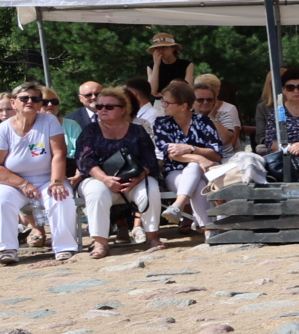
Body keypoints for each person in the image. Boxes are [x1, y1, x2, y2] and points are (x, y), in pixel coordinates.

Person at [73, 86, 160, 253]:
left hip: (133, 179)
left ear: (123, 110)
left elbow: (149, 160)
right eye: (99, 106)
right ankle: (100, 242)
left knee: (151, 189)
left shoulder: (137, 130)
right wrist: (105, 179)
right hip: (98, 179)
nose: (103, 110)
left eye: (109, 106)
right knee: (96, 193)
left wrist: (138, 178)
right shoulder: (90, 130)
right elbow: (85, 160)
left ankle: (152, 237)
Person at [0, 82, 77, 264]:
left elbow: (59, 153)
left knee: (61, 196)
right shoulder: (3, 129)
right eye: (24, 98)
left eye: (35, 99)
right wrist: (23, 184)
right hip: (15, 182)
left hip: (47, 178)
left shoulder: (49, 121)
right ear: (14, 103)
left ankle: (64, 246)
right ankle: (7, 248)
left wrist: (57, 181)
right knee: (2, 199)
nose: (30, 101)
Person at [151, 80, 224, 230]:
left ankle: (178, 205)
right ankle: (209, 230)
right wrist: (198, 157)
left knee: (195, 168)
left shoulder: (203, 122)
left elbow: (216, 155)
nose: (163, 105)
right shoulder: (161, 123)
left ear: (183, 106)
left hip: (206, 171)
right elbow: (170, 154)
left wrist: (191, 148)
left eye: (167, 102)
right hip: (175, 172)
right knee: (198, 183)